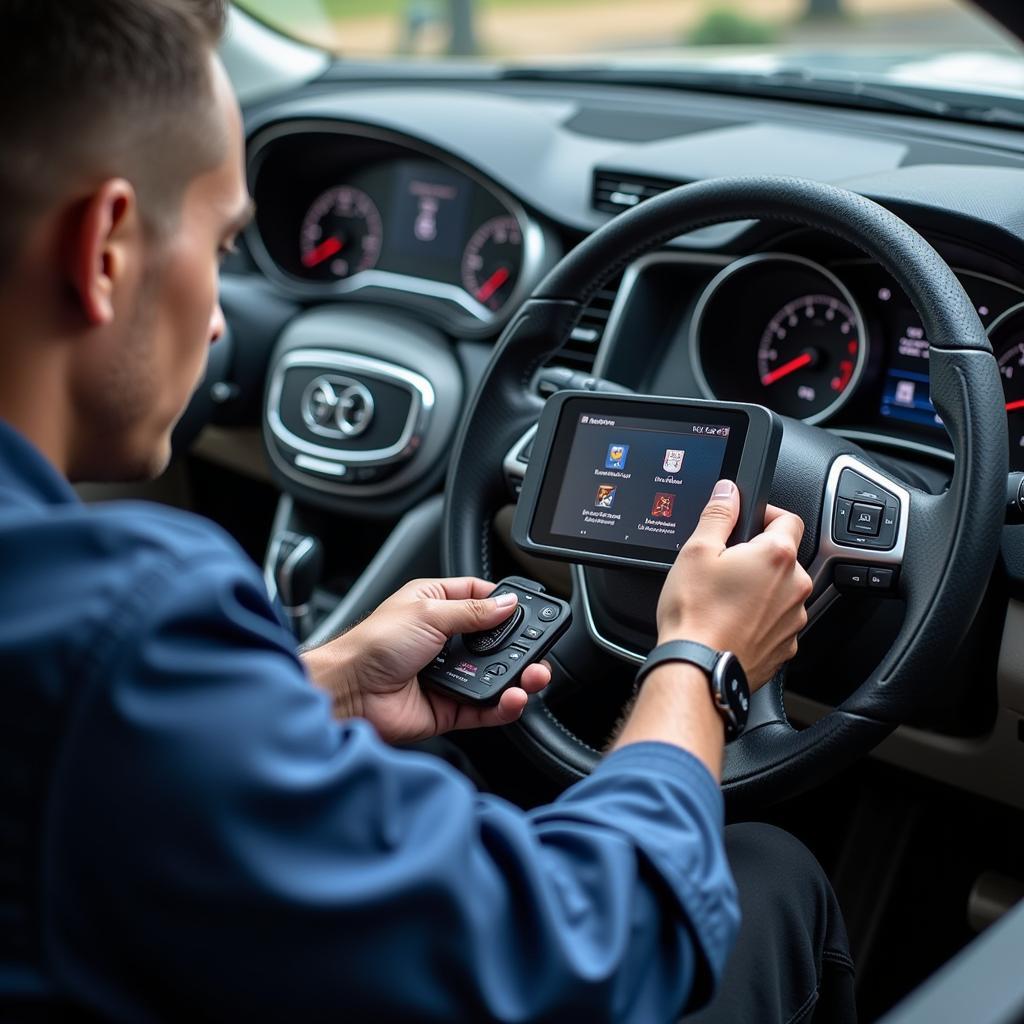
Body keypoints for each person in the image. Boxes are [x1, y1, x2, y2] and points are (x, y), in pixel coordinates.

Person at [0, 1, 855, 1020]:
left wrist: (317, 689)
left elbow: (99, 767)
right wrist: (702, 660)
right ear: (104, 250)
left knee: (446, 761)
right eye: (225, 245)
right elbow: (594, 948)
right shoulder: (122, 619)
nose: (225, 309)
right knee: (764, 869)